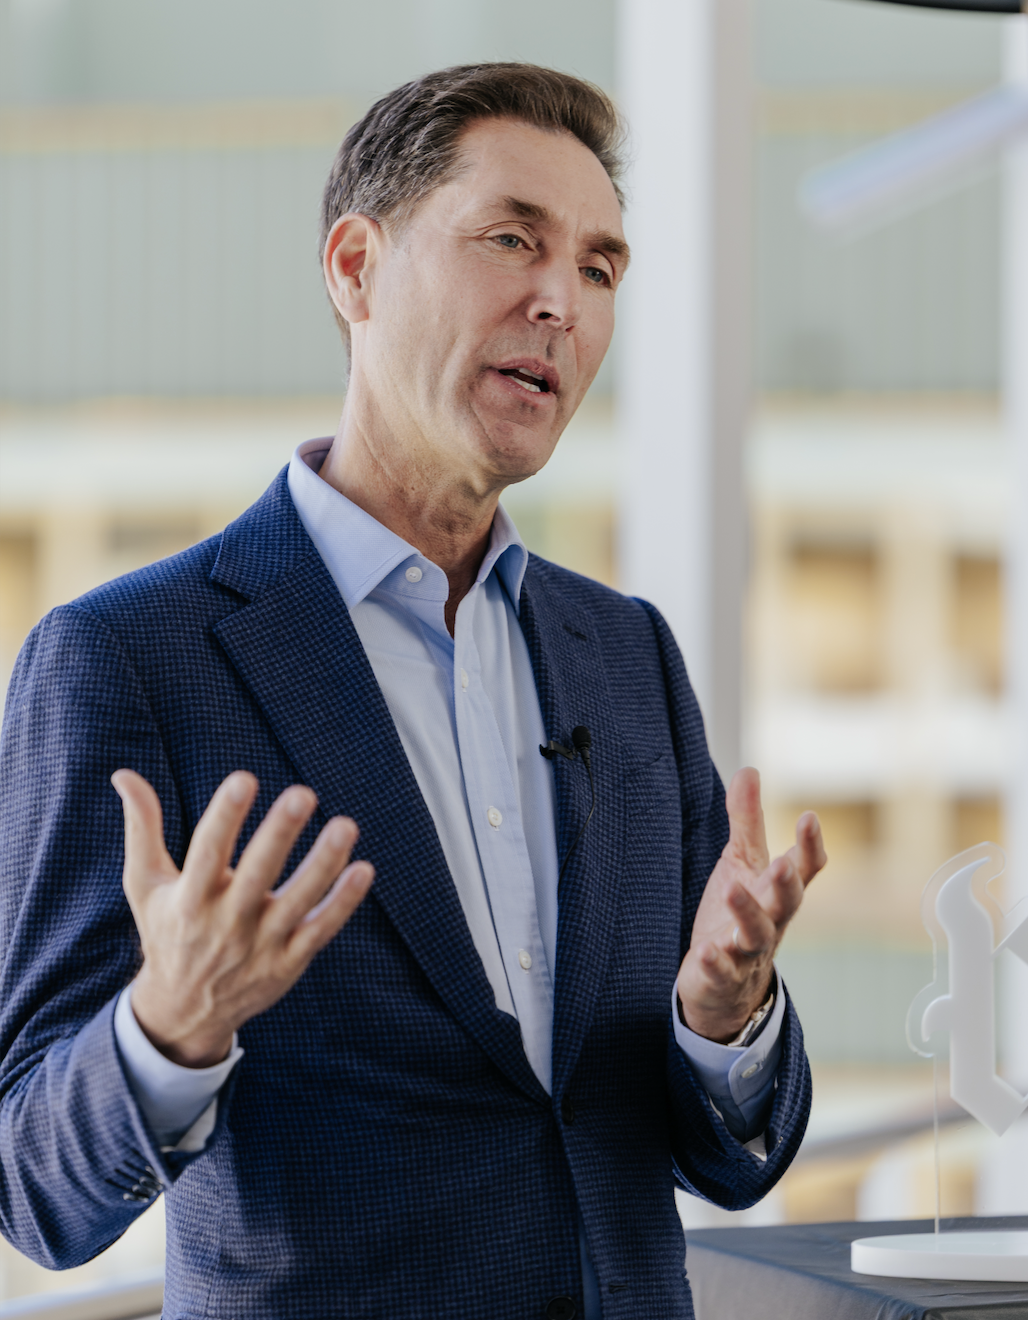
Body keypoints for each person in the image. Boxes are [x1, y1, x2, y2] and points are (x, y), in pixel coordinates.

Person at [0, 64, 824, 1320]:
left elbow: (730, 1158)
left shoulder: (627, 657)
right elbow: (31, 1189)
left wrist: (726, 1015)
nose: (561, 301)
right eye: (511, 241)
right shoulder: (128, 658)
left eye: (601, 270)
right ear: (353, 268)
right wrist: (167, 1027)